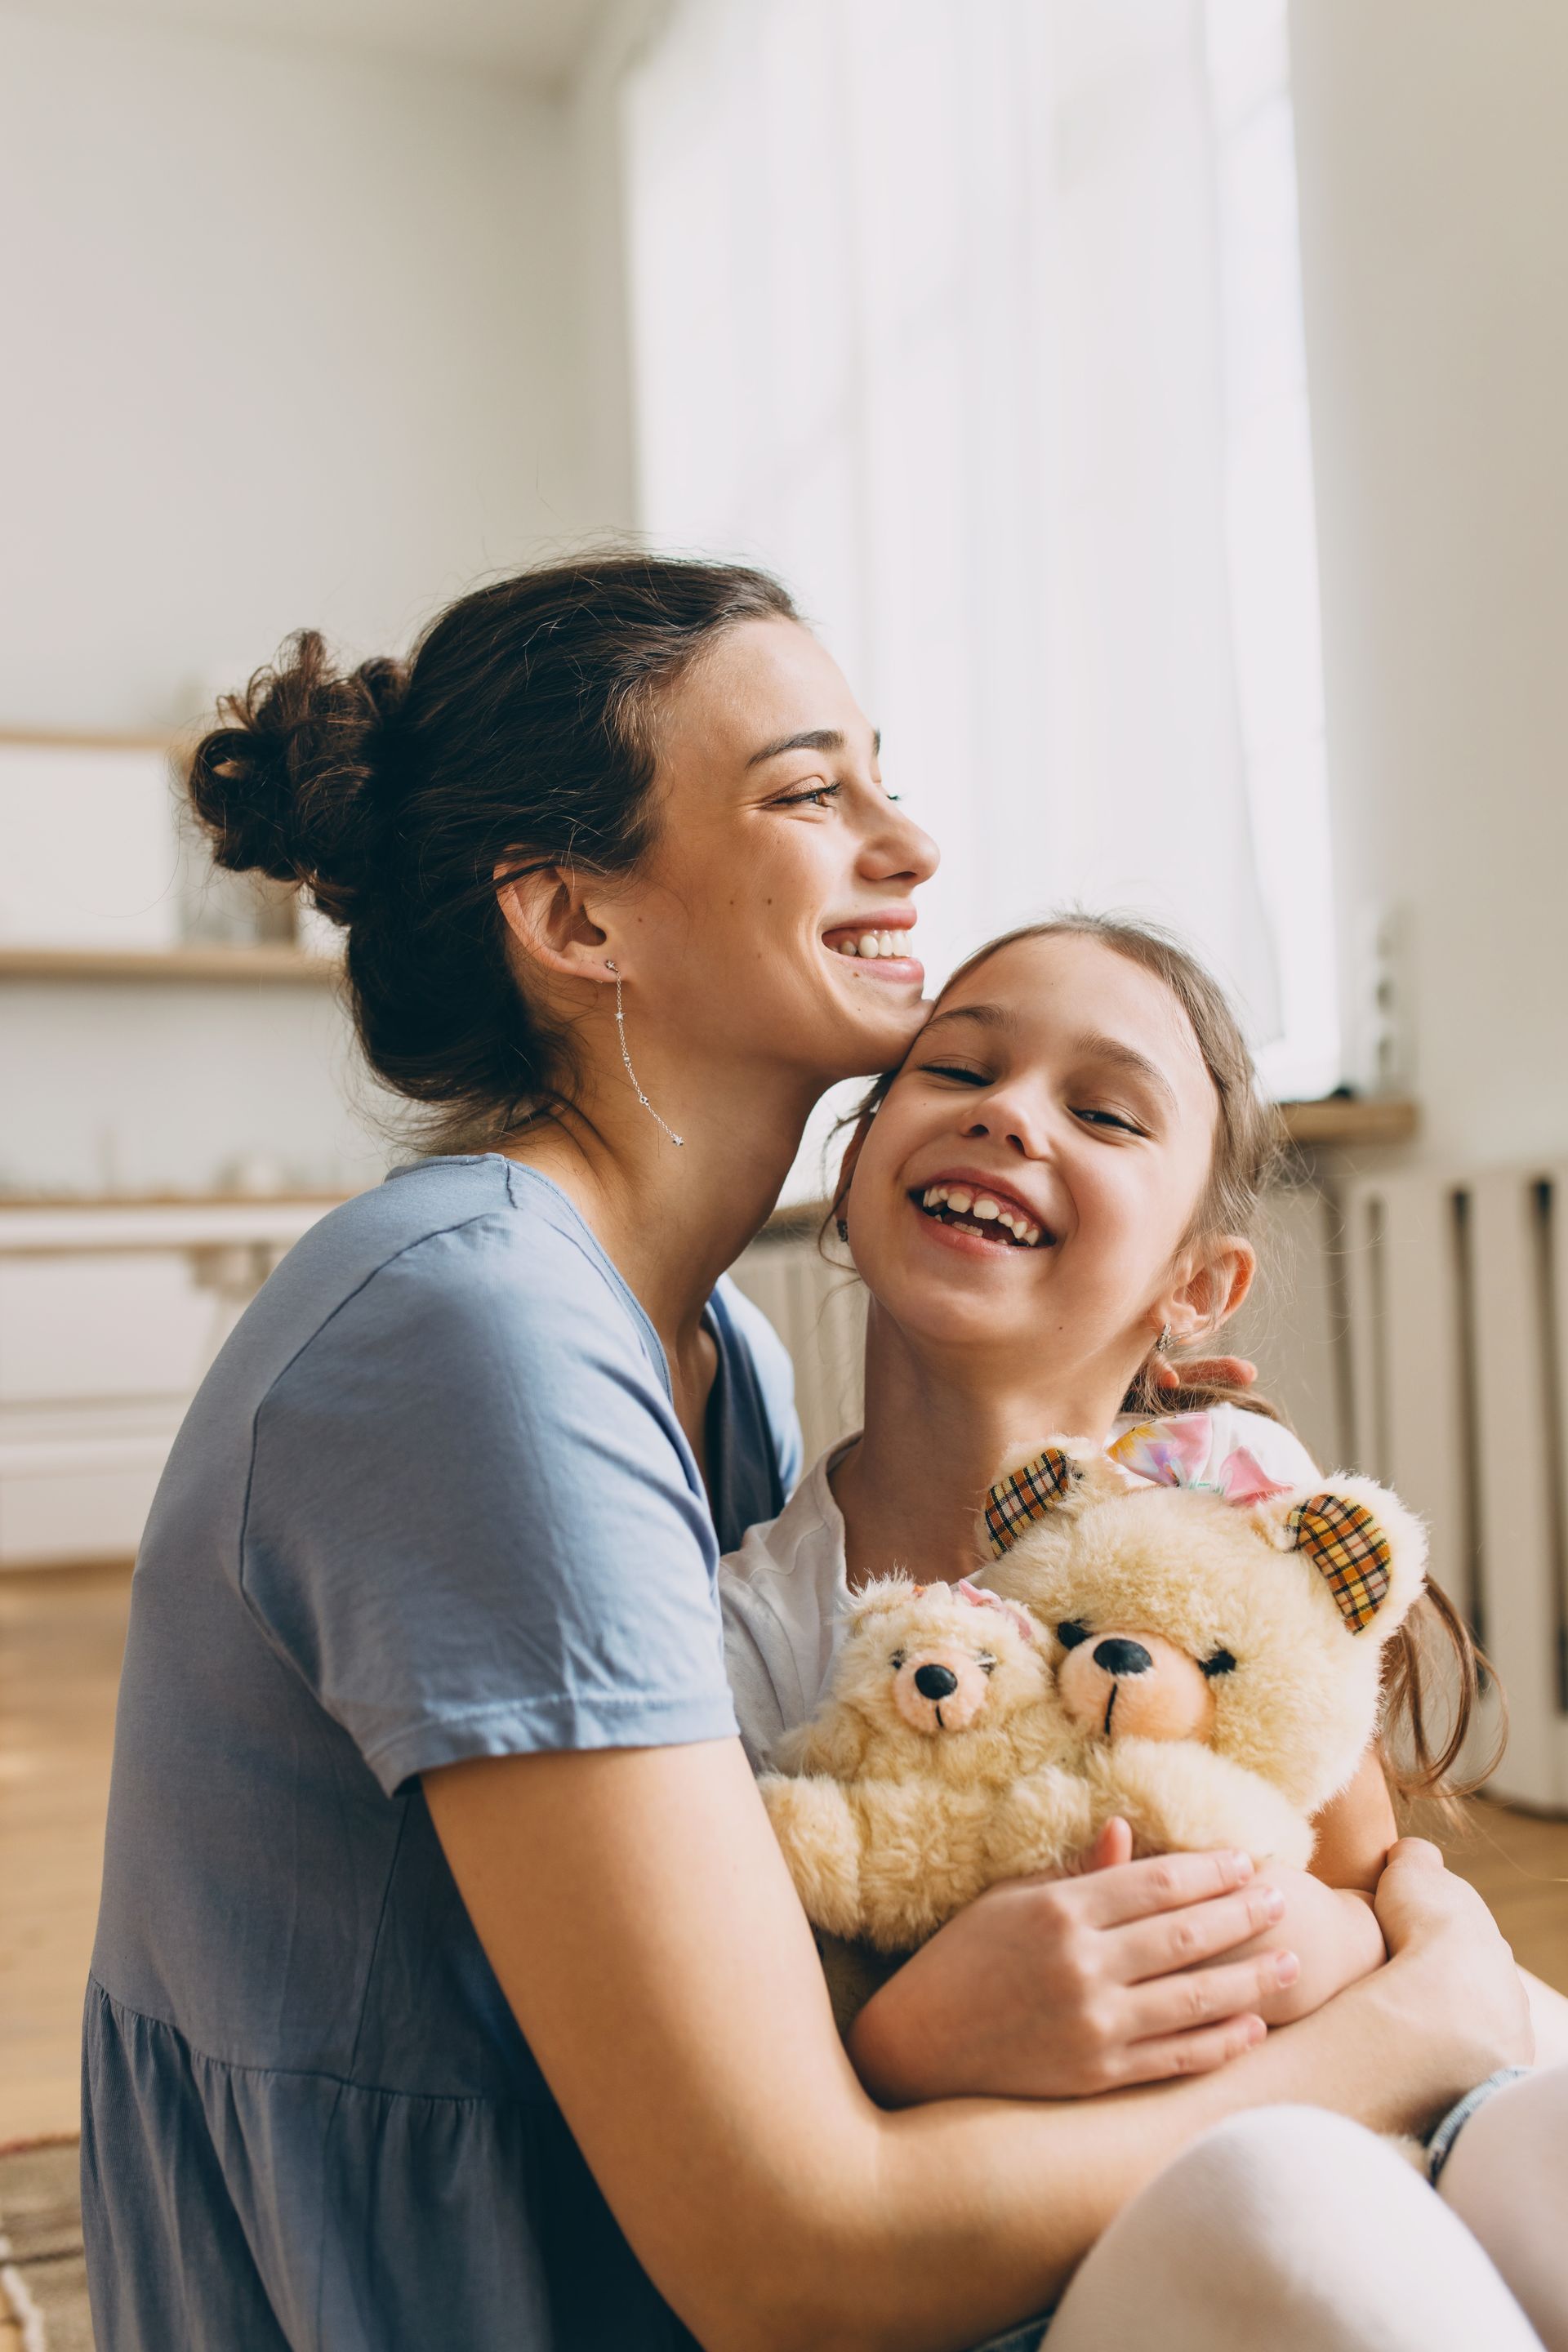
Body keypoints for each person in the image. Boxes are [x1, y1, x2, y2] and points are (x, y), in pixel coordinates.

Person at [83, 555, 1536, 2352]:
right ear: (576, 919)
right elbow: (791, 2252)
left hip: (644, 2222)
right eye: (809, 791)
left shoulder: (720, 1356)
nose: (912, 846)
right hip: (459, 2293)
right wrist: (1404, 2028)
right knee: (1309, 2196)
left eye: (885, 774)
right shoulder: (477, 1337)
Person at [720, 911, 1568, 2346]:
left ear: (1198, 1285)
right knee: (1280, 2195)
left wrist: (1335, 1953)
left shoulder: (1240, 1525)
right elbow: (758, 2098)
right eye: (957, 1070)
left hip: (1387, 2110)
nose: (1007, 1114)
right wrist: (910, 2038)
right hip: (1049, 2244)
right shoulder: (753, 1629)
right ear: (856, 1160)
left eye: (1103, 1111)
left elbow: (1373, 1894)